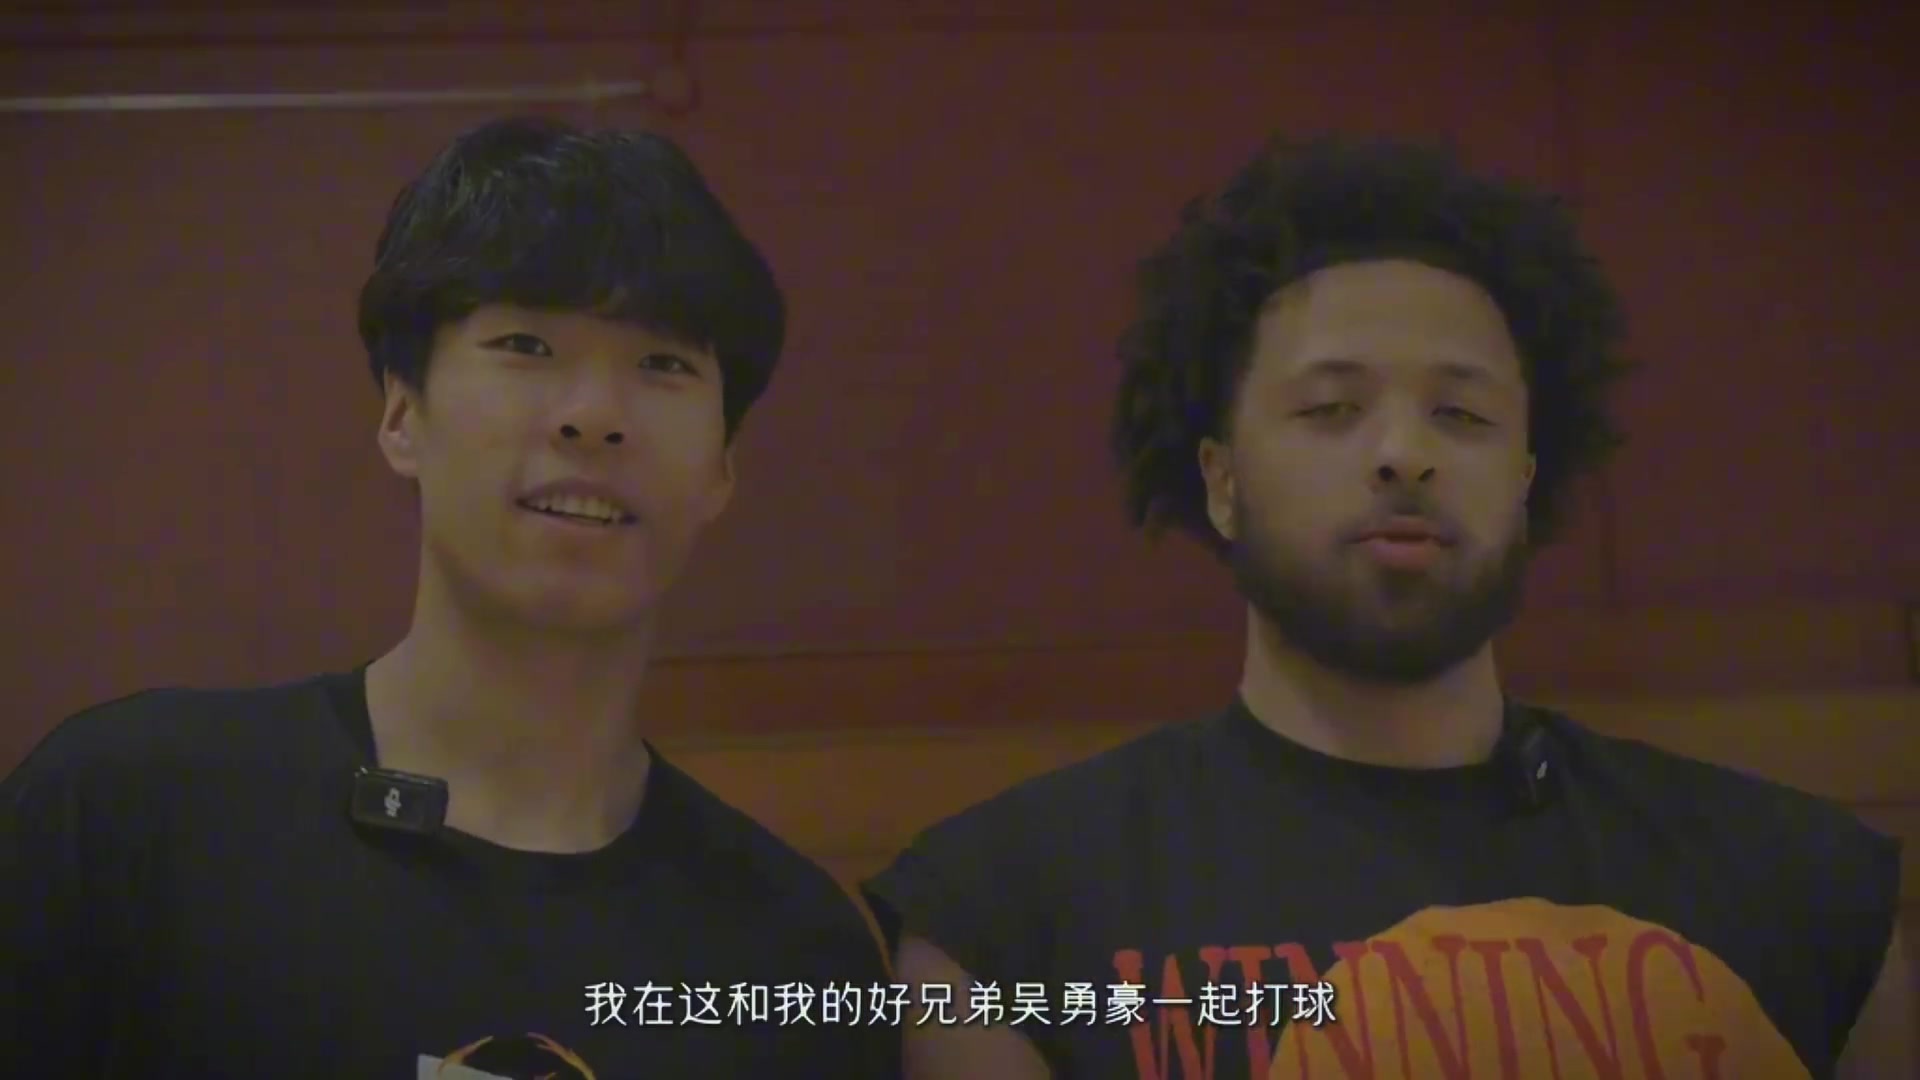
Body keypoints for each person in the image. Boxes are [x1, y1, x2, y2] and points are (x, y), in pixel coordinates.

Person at [862, 135, 1914, 1079]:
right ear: (1222, 480)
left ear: (1525, 478)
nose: (1405, 452)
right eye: (1332, 408)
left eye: (1461, 413)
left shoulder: (1807, 889)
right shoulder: (1010, 915)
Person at [2, 116, 900, 1078]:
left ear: (722, 465)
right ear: (402, 413)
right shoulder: (130, 814)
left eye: (664, 365)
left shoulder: (795, 953)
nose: (594, 416)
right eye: (526, 344)